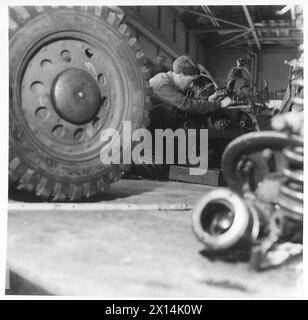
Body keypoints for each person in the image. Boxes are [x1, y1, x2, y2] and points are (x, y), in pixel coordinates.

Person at [149, 55, 233, 126]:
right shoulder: (162, 83)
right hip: (148, 125)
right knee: (173, 112)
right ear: (181, 75)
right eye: (190, 81)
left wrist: (209, 99)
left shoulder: (169, 81)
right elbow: (186, 104)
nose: (191, 85)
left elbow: (187, 101)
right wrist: (219, 104)